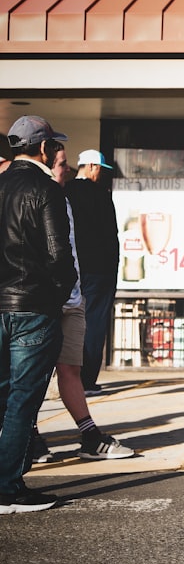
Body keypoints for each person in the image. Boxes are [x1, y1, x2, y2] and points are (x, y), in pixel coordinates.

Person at [30, 140, 135, 462]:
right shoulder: (50, 195)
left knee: (62, 367)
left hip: (71, 285)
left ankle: (85, 435)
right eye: (62, 166)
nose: (66, 172)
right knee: (34, 370)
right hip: (61, 287)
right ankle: (28, 440)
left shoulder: (64, 195)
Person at [0, 115, 78, 513]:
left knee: (3, 396)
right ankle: (8, 487)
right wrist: (59, 294)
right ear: (44, 149)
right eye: (54, 146)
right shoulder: (45, 188)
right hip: (32, 307)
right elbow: (58, 255)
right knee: (23, 401)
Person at [66, 148, 119, 396]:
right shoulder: (101, 195)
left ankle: (69, 378)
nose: (100, 174)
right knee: (95, 322)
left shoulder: (65, 192)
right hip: (100, 270)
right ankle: (87, 380)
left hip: (74, 268)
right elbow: (111, 235)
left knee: (70, 321)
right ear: (90, 167)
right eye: (99, 169)